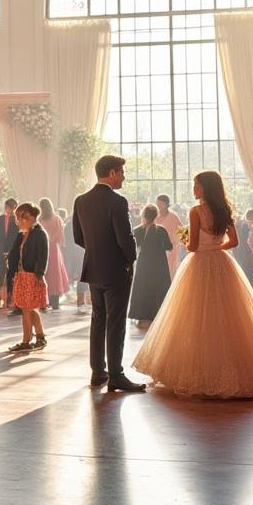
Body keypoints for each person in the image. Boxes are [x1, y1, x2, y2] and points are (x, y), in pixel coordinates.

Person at [133, 172, 253, 398]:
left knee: (194, 315)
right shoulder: (225, 210)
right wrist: (216, 248)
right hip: (222, 263)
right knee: (231, 315)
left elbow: (193, 246)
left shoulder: (196, 212)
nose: (194, 190)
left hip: (200, 264)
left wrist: (189, 241)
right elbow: (233, 241)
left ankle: (198, 371)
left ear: (205, 187)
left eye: (196, 186)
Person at [71, 156, 144, 392]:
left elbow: (78, 238)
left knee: (98, 321)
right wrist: (131, 259)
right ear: (112, 173)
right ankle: (116, 375)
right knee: (115, 322)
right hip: (115, 269)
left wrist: (97, 251)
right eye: (121, 172)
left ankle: (98, 371)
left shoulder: (81, 201)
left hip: (93, 268)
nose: (123, 176)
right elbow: (125, 238)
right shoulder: (117, 201)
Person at [5, 203, 49, 352]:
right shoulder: (24, 232)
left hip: (32, 276)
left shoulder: (40, 233)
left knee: (27, 309)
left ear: (31, 217)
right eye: (18, 218)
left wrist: (40, 274)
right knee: (29, 309)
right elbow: (15, 253)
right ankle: (40, 337)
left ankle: (26, 341)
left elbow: (43, 257)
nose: (20, 221)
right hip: (22, 275)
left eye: (23, 217)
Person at [127, 204, 171, 328]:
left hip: (144, 263)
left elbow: (133, 247)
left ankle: (142, 314)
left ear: (143, 215)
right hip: (159, 264)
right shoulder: (161, 230)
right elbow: (169, 246)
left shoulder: (138, 230)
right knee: (159, 287)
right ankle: (159, 313)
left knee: (143, 286)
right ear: (156, 215)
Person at [39, 198, 70, 310]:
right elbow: (60, 236)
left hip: (44, 248)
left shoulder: (40, 219)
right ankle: (54, 301)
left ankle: (46, 300)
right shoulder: (56, 219)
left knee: (47, 273)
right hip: (53, 248)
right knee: (55, 274)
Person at [0, 198, 20, 313]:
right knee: (1, 273)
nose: (9, 209)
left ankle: (11, 297)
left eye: (11, 207)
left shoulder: (17, 220)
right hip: (0, 250)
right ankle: (0, 296)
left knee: (12, 273)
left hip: (13, 251)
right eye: (7, 207)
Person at [60, 207, 88, 310]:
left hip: (74, 252)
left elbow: (65, 240)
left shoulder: (68, 224)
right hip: (80, 252)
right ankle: (81, 299)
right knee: (82, 275)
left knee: (78, 275)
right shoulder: (85, 223)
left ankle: (79, 298)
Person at [155, 195, 184, 277]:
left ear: (167, 204)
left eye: (161, 204)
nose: (159, 206)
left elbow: (183, 233)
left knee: (171, 270)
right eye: (157, 204)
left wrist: (184, 244)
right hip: (157, 249)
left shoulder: (173, 217)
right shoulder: (155, 216)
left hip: (172, 249)